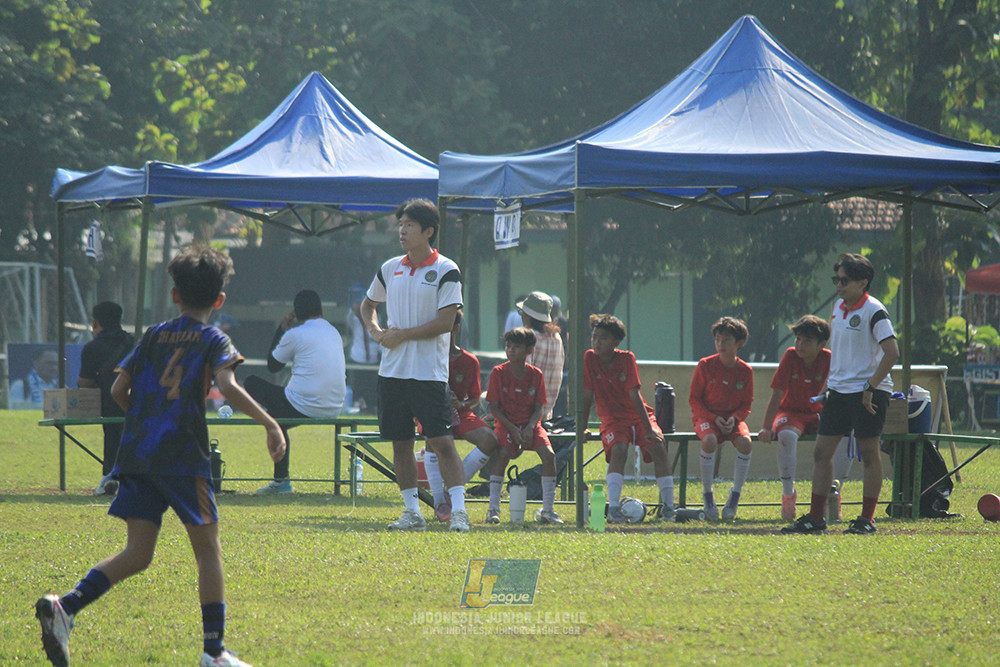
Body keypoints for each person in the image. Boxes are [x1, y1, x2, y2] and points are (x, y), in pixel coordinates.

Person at [35, 246, 286, 667]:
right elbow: (227, 385)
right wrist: (270, 423)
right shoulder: (213, 338)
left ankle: (66, 606)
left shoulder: (152, 335)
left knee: (138, 552)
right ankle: (214, 652)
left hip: (138, 454)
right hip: (183, 455)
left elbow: (118, 390)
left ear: (174, 294)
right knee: (208, 551)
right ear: (219, 300)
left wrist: (147, 418)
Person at [360, 198, 470, 533]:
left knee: (442, 443)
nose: (402, 231)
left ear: (428, 231)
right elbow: (367, 306)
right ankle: (411, 513)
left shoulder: (447, 269)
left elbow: (446, 322)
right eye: (400, 224)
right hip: (392, 373)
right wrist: (376, 333)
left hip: (428, 374)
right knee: (401, 444)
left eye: (409, 225)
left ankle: (460, 512)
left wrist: (401, 335)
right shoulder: (390, 267)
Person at [783, 253, 899, 535]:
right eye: (836, 279)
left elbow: (892, 353)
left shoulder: (875, 310)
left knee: (869, 453)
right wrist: (828, 387)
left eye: (844, 280)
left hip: (867, 392)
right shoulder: (837, 307)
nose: (838, 285)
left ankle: (866, 520)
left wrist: (870, 387)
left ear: (863, 282)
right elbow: (842, 353)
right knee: (821, 453)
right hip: (838, 391)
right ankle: (815, 518)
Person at [245, 289, 346, 494]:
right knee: (275, 418)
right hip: (334, 406)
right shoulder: (333, 331)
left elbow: (273, 366)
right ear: (321, 311)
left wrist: (281, 329)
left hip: (303, 404)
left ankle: (282, 482)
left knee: (251, 383)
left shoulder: (295, 334)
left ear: (296, 313)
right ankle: (281, 482)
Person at [578, 314, 674, 523]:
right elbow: (586, 394)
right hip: (613, 419)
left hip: (639, 417)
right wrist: (583, 427)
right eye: (594, 337)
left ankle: (669, 507)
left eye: (603, 338)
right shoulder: (589, 358)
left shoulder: (627, 358)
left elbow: (634, 394)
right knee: (619, 449)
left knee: (658, 447)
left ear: (616, 342)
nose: (597, 342)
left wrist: (648, 428)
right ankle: (614, 508)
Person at [420, 308, 498, 521]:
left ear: (456, 327)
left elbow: (475, 398)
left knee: (490, 439)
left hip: (460, 413)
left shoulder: (469, 361)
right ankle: (440, 502)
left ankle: (452, 486)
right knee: (432, 438)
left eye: (446, 323)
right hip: (431, 412)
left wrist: (460, 403)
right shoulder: (427, 356)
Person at [485, 327, 563, 524]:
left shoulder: (536, 374)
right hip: (506, 424)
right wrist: (512, 428)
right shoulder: (498, 372)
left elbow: (539, 407)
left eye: (517, 347)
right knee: (503, 454)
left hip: (530, 425)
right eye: (508, 346)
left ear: (529, 350)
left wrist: (529, 427)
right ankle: (493, 509)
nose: (510, 350)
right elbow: (494, 407)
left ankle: (548, 510)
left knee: (549, 455)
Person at [757, 315, 832, 521]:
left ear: (821, 344)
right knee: (787, 436)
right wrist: (766, 427)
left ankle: (835, 493)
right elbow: (777, 394)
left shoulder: (829, 359)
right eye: (798, 339)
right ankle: (788, 494)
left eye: (807, 340)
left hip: (818, 414)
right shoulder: (790, 356)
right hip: (791, 413)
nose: (799, 344)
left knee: (843, 435)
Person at [690, 316, 754, 520]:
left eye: (726, 340)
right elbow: (694, 399)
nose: (720, 344)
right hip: (707, 417)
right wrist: (712, 417)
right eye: (717, 339)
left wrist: (735, 418)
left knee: (745, 443)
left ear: (739, 343)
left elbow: (746, 403)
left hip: (732, 420)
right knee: (709, 440)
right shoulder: (705, 365)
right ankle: (708, 496)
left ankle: (734, 497)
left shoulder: (745, 370)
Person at [77, 301, 134, 496]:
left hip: (109, 404)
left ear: (94, 323)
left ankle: (109, 476)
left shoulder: (92, 348)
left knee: (113, 436)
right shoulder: (134, 343)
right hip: (139, 402)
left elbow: (84, 383)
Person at [519, 291, 564, 420]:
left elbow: (521, 376)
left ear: (527, 316)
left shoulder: (528, 337)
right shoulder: (556, 337)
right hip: (547, 413)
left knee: (485, 400)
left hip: (524, 412)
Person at [345, 282, 380, 411]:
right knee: (358, 384)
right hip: (358, 358)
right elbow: (351, 313)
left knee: (372, 386)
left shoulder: (375, 317)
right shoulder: (352, 318)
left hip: (373, 358)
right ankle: (357, 404)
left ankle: (371, 406)